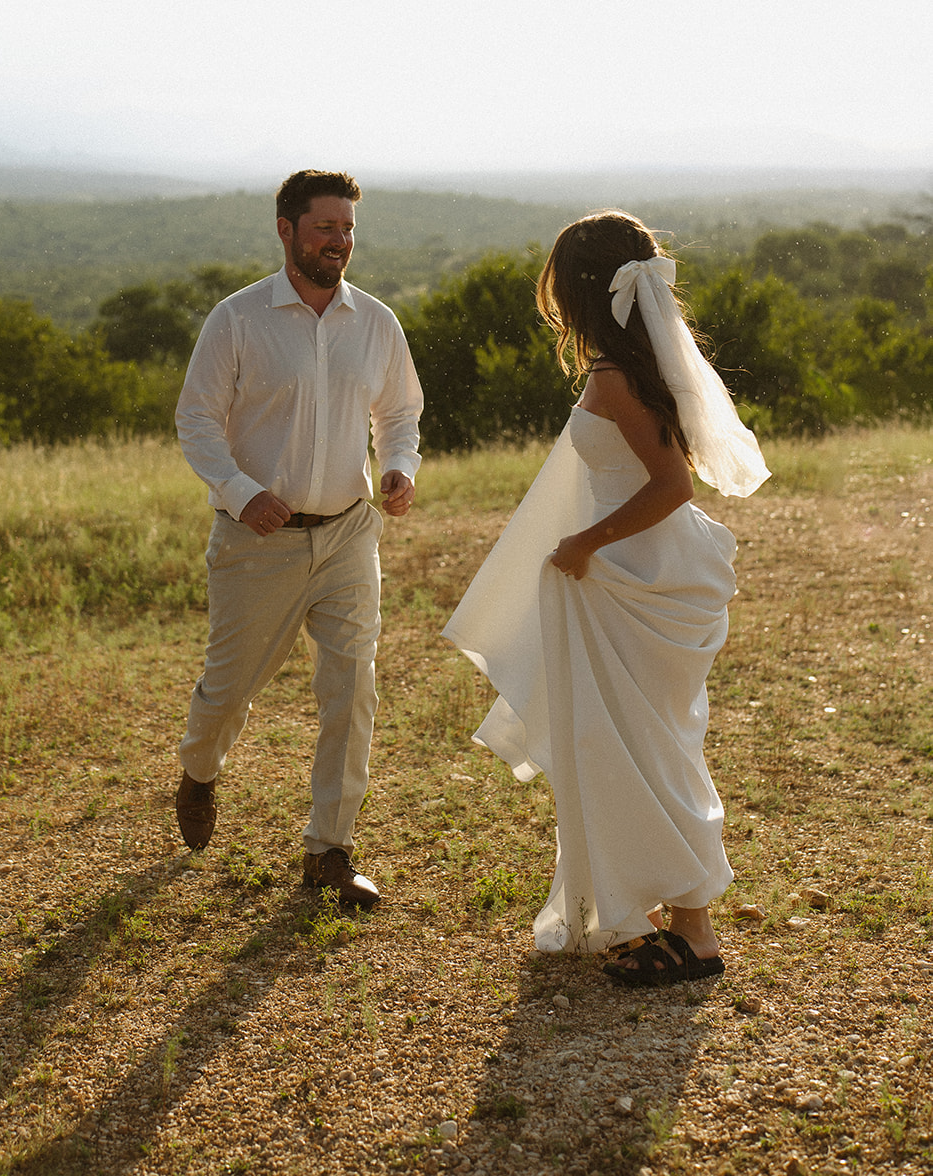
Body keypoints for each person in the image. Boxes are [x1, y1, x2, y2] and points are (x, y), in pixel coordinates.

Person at [444, 210, 769, 984]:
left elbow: (669, 484)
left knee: (638, 748)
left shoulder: (618, 376)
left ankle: (677, 927)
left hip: (634, 579)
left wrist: (582, 545)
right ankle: (676, 921)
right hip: (644, 574)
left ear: (580, 289)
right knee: (646, 746)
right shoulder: (638, 364)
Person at [174, 169, 423, 906]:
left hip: (348, 534)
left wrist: (400, 466)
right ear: (285, 230)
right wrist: (242, 494)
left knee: (352, 690)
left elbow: (399, 411)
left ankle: (329, 852)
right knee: (228, 692)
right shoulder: (238, 319)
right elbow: (196, 420)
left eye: (347, 229)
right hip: (257, 544)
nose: (339, 242)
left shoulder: (375, 321)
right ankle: (197, 772)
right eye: (324, 229)